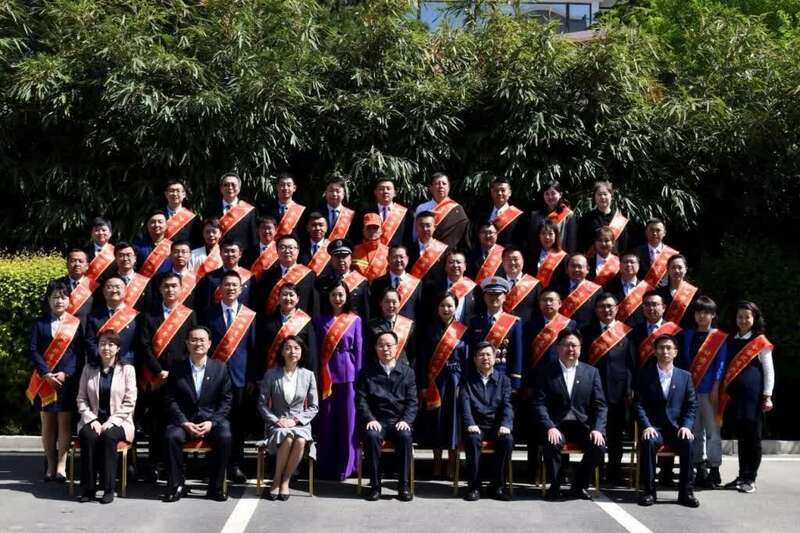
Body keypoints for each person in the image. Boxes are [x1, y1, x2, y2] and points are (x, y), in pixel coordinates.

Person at [534, 329, 607, 501]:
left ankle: (579, 486)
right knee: (552, 442)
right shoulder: (546, 372)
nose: (570, 349)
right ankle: (555, 486)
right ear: (558, 348)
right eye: (566, 345)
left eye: (574, 345)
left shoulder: (591, 372)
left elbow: (601, 405)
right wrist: (550, 427)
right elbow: (539, 404)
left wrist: (597, 429)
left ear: (580, 348)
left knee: (598, 446)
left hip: (582, 425)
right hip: (557, 424)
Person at [137, 273, 198, 478]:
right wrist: (158, 370)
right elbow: (144, 346)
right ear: (160, 289)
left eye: (174, 286)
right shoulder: (149, 315)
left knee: (179, 420)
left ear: (181, 289)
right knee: (157, 421)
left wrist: (181, 371)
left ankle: (178, 465)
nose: (170, 290)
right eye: (166, 286)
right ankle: (154, 463)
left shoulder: (189, 315)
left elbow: (193, 345)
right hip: (157, 377)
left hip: (181, 378)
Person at [163, 326, 233, 502]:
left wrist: (212, 422)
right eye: (193, 340)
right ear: (187, 343)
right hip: (185, 421)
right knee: (171, 437)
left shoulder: (220, 368)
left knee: (225, 435)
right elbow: (170, 400)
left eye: (202, 340)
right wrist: (184, 422)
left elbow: (226, 401)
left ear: (209, 344)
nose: (198, 344)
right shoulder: (177, 368)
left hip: (211, 420)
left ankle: (216, 487)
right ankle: (176, 486)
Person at [204, 271, 258, 484]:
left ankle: (235, 465)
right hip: (213, 377)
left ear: (241, 289)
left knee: (237, 424)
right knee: (213, 422)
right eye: (226, 284)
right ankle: (214, 466)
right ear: (220, 288)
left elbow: (254, 349)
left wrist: (252, 378)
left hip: (240, 378)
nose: (231, 288)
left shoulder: (249, 316)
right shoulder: (208, 313)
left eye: (235, 285)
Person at [27, 281, 83, 483]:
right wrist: (46, 373)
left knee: (64, 424)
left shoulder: (76, 324)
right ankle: (50, 465)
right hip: (45, 381)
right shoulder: (39, 323)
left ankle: (62, 465)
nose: (59, 301)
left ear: (69, 300)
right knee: (48, 425)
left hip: (66, 381)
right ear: (48, 300)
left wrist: (66, 373)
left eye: (63, 297)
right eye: (55, 297)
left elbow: (78, 353)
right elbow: (33, 350)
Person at [634, 334, 699, 508]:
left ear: (675, 352)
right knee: (648, 441)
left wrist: (686, 426)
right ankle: (649, 492)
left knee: (688, 442)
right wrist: (646, 426)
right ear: (655, 352)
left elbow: (691, 405)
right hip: (655, 428)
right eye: (661, 348)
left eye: (669, 348)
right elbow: (638, 405)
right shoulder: (645, 375)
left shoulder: (685, 376)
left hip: (677, 428)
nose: (665, 351)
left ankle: (686, 493)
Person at [718, 301, 775, 494]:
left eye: (747, 317)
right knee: (742, 437)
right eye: (740, 317)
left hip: (754, 397)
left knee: (753, 437)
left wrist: (767, 395)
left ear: (754, 318)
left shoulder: (760, 341)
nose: (743, 320)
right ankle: (742, 475)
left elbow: (769, 370)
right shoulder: (731, 339)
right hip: (735, 397)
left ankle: (751, 478)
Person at [580, 293, 636, 485]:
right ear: (596, 310)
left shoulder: (626, 332)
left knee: (615, 436)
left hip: (618, 393)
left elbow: (630, 364)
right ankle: (594, 472)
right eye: (602, 306)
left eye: (610, 306)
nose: (606, 310)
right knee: (595, 433)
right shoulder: (586, 332)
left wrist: (629, 390)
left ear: (617, 308)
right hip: (592, 391)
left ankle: (614, 473)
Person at [75, 330, 137, 503]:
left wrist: (112, 421)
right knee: (88, 435)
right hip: (93, 419)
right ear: (97, 347)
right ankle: (88, 488)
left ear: (118, 348)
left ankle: (109, 488)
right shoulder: (89, 369)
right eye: (102, 344)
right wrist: (92, 419)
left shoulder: (127, 370)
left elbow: (130, 401)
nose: (106, 348)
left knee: (109, 436)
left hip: (120, 422)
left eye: (111, 344)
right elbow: (81, 399)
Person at [356, 331, 418, 501]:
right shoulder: (366, 372)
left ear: (397, 347)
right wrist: (370, 419)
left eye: (389, 345)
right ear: (375, 348)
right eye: (381, 345)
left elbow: (413, 402)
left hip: (399, 421)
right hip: (377, 421)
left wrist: (406, 420)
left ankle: (403, 486)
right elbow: (361, 400)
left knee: (405, 436)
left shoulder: (407, 372)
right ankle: (375, 486)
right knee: (371, 436)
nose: (385, 349)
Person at [257, 336, 319, 501]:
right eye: (288, 348)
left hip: (299, 424)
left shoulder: (308, 375)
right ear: (282, 352)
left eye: (297, 348)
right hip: (277, 423)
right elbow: (262, 404)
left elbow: (314, 406)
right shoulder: (271, 374)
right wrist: (277, 420)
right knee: (288, 436)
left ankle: (285, 480)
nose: (293, 352)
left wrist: (296, 420)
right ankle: (276, 478)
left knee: (300, 440)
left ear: (302, 352)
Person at [314, 279, 363, 480]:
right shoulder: (319, 320)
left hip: (349, 375)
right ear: (328, 297)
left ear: (347, 296)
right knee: (327, 420)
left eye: (341, 294)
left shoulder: (354, 320)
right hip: (327, 375)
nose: (337, 298)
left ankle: (347, 466)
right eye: (334, 294)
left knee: (348, 421)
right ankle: (326, 465)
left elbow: (359, 349)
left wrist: (359, 377)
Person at [680, 296, 728, 488]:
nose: (702, 315)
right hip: (691, 390)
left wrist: (716, 386)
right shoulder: (687, 335)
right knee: (695, 431)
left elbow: (721, 363)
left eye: (707, 312)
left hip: (710, 391)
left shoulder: (719, 337)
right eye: (699, 312)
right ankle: (699, 466)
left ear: (713, 315)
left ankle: (714, 468)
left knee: (713, 431)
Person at [417, 292, 468, 469]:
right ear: (437, 308)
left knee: (454, 421)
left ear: (456, 308)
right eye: (442, 306)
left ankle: (452, 464)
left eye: (449, 306)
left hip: (456, 381)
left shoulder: (463, 331)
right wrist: (423, 385)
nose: (446, 309)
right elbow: (422, 359)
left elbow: (467, 359)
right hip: (435, 381)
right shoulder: (429, 330)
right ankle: (437, 463)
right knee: (436, 421)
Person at [460, 342, 514, 501]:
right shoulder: (467, 380)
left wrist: (506, 425)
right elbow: (464, 405)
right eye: (481, 355)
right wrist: (470, 424)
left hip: (496, 426)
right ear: (475, 359)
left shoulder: (504, 380)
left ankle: (497, 486)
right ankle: (474, 487)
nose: (485, 358)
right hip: (476, 426)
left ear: (495, 357)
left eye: (488, 354)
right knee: (472, 439)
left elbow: (508, 406)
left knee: (507, 440)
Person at [468, 277, 523, 390]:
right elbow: (471, 350)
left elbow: (517, 354)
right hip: (478, 376)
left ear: (504, 297)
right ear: (484, 297)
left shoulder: (514, 323)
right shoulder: (475, 321)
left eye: (498, 294)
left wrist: (515, 382)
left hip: (503, 377)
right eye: (490, 294)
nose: (493, 297)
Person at [259, 283, 318, 378]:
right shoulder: (268, 322)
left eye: (291, 295)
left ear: (297, 299)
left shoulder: (305, 322)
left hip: (298, 374)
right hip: (273, 374)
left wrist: (312, 378)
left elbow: (312, 353)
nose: (288, 298)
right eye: (284, 294)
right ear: (278, 298)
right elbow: (261, 351)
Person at [84, 275, 139, 366]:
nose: (114, 290)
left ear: (125, 291)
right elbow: (90, 342)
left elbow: (138, 345)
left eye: (118, 287)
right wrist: (103, 360)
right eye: (109, 287)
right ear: (103, 291)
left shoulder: (135, 316)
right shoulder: (93, 316)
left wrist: (125, 362)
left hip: (127, 365)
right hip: (99, 364)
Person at [256, 234, 316, 316]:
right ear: (277, 251)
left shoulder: (310, 276)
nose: (287, 251)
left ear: (298, 251)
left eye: (291, 248)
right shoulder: (267, 275)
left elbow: (313, 305)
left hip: (299, 322)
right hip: (273, 322)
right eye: (283, 247)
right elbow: (260, 304)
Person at [194, 239, 254, 313]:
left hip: (242, 318)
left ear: (240, 254)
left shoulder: (249, 277)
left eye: (233, 251)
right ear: (220, 254)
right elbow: (205, 305)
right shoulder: (210, 277)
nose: (230, 254)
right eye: (226, 251)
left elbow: (253, 304)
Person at [414, 172, 469, 250]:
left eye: (444, 183)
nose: (441, 186)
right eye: (437, 183)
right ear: (430, 188)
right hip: (425, 251)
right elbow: (415, 234)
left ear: (449, 187)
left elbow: (463, 235)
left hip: (450, 253)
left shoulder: (457, 209)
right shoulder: (422, 208)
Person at [421, 250, 477, 326]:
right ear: (445, 267)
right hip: (438, 330)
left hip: (464, 331)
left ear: (465, 266)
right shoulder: (432, 287)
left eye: (458, 262)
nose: (455, 265)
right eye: (451, 262)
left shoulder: (474, 288)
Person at [365, 287, 415, 367]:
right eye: (387, 302)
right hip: (378, 369)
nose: (391, 305)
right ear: (380, 303)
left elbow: (412, 353)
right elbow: (368, 352)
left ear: (399, 303)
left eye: (394, 302)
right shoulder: (371, 325)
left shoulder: (408, 325)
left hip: (402, 369)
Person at [632, 291, 682, 368]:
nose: (651, 308)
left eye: (654, 304)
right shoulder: (635, 331)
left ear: (663, 308)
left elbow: (679, 358)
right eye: (647, 304)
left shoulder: (674, 331)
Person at [370, 245, 421, 321]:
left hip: (407, 326)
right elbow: (373, 309)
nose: (398, 260)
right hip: (382, 326)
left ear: (407, 259)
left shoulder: (416, 283)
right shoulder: (378, 283)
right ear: (388, 259)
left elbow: (419, 311)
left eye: (401, 257)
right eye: (394, 257)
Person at [577, 180, 629, 254]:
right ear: (594, 197)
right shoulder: (586, 218)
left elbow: (624, 245)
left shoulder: (620, 220)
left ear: (611, 196)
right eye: (599, 194)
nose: (602, 197)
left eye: (605, 194)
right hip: (592, 259)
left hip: (613, 260)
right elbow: (580, 243)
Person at [361, 176, 413, 248]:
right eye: (381, 189)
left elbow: (409, 237)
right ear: (375, 192)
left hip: (396, 253)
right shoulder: (366, 212)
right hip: (372, 252)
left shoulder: (406, 213)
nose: (385, 191)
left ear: (395, 193)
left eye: (388, 188)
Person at [326, 238, 371, 321]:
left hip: (354, 326)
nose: (341, 260)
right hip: (329, 326)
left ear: (351, 259)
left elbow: (366, 312)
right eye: (337, 257)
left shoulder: (362, 282)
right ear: (331, 260)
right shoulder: (323, 282)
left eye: (344, 256)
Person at [528, 180, 577, 254]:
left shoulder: (568, 215)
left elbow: (571, 242)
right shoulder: (536, 215)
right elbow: (532, 240)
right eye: (547, 194)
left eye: (553, 193)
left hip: (559, 257)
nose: (550, 197)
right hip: (539, 256)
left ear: (560, 194)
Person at [557, 253, 602, 329]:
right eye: (573, 266)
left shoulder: (597, 290)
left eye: (580, 266)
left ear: (587, 269)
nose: (576, 269)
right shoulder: (557, 288)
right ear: (567, 270)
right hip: (562, 331)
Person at [214, 172, 258, 250]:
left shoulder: (249, 210)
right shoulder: (211, 209)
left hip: (241, 254)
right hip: (217, 254)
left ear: (239, 188)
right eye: (226, 185)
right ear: (221, 189)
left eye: (233, 185)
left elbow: (253, 238)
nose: (230, 187)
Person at [477, 177, 526, 246]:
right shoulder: (482, 214)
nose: (499, 193)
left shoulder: (519, 216)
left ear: (510, 193)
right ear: (491, 192)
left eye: (503, 190)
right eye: (496, 190)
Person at [657, 254, 700, 329]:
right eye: (673, 267)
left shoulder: (694, 293)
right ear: (668, 270)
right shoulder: (659, 293)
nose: (676, 271)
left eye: (680, 267)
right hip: (664, 333)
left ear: (685, 269)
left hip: (687, 333)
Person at [500, 245, 541, 324]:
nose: (512, 263)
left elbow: (538, 311)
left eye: (515, 259)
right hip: (501, 328)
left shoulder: (535, 285)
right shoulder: (497, 284)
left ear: (523, 261)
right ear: (502, 263)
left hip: (527, 328)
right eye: (508, 259)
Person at [54, 249, 95, 322]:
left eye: (80, 261)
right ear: (67, 264)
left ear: (87, 266)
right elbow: (47, 309)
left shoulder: (93, 286)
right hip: (61, 326)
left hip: (87, 327)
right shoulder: (55, 284)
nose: (77, 264)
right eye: (73, 261)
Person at [634, 218, 677, 288]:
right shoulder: (637, 252)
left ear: (664, 233)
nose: (654, 233)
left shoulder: (672, 254)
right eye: (651, 230)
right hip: (642, 290)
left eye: (658, 230)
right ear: (646, 232)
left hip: (665, 291)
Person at [261, 172, 305, 239]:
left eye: (288, 185)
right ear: (277, 187)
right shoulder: (266, 209)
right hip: (272, 245)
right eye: (282, 185)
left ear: (294, 188)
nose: (285, 188)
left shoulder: (301, 211)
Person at [408, 210, 449, 284]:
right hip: (414, 289)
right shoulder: (408, 250)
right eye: (421, 225)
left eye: (428, 225)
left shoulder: (444, 250)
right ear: (416, 227)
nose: (425, 229)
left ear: (434, 227)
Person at [609, 253, 648, 328]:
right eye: (625, 262)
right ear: (620, 265)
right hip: (617, 329)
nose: (628, 265)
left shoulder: (646, 288)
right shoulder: (609, 287)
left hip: (641, 329)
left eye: (632, 262)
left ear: (638, 266)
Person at [162, 179, 202, 247]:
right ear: (166, 194)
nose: (175, 194)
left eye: (178, 191)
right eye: (171, 191)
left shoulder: (193, 219)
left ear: (184, 194)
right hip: (163, 253)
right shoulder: (158, 216)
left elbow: (197, 241)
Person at [133, 210, 173, 278]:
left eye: (160, 222)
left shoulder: (172, 246)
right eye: (152, 222)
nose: (156, 225)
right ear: (147, 225)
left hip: (167, 283)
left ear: (166, 225)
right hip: (144, 283)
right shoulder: (137, 246)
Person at [530, 219, 568, 290]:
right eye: (543, 233)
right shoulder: (531, 253)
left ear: (556, 236)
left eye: (550, 234)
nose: (547, 237)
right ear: (539, 235)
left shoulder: (563, 257)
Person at [352, 213, 389, 283]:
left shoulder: (388, 252)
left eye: (375, 228)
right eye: (368, 228)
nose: (372, 231)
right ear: (363, 230)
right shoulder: (354, 251)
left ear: (381, 231)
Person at [318, 176, 356, 242]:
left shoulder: (351, 215)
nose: (334, 194)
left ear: (343, 194)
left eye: (338, 191)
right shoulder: (318, 213)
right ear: (325, 193)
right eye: (331, 191)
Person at [243, 216, 279, 280]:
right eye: (263, 228)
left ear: (276, 230)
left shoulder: (280, 250)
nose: (267, 231)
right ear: (257, 230)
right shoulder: (248, 252)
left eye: (269, 228)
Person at [84, 217, 116, 283]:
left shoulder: (116, 252)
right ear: (92, 233)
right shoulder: (84, 252)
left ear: (110, 233)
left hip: (111, 287)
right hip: (89, 287)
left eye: (104, 230)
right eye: (97, 230)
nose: (100, 233)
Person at [298, 212, 331, 276]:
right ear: (307, 228)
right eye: (313, 225)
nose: (317, 228)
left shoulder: (331, 247)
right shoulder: (299, 247)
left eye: (321, 225)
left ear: (326, 228)